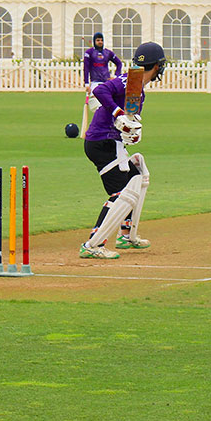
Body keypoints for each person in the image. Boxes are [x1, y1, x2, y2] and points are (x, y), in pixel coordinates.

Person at [80, 42, 166, 259]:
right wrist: (118, 112)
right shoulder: (129, 81)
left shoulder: (138, 88)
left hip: (112, 142)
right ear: (156, 66)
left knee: (138, 176)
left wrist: (131, 132)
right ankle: (93, 244)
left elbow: (129, 121)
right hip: (101, 142)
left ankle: (126, 235)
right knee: (122, 192)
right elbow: (100, 90)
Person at [83, 32, 124, 114]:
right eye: (98, 40)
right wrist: (87, 84)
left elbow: (119, 63)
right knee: (95, 106)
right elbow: (86, 68)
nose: (100, 42)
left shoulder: (107, 52)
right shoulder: (89, 53)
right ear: (94, 41)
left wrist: (116, 76)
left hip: (106, 83)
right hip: (95, 82)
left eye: (101, 40)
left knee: (108, 104)